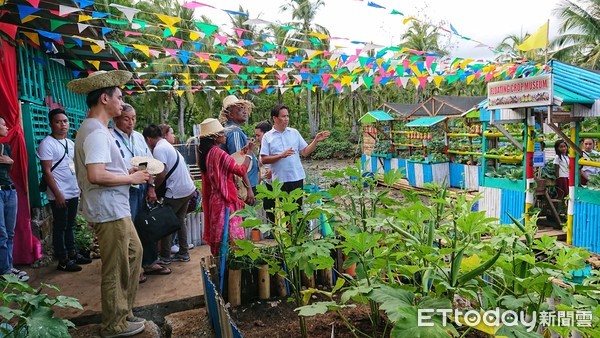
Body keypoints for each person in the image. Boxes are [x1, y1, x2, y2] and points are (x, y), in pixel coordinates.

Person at [67, 70, 150, 338]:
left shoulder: (95, 129)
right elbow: (96, 174)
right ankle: (114, 324)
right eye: (119, 97)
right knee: (117, 266)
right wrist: (131, 176)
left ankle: (124, 312)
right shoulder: (97, 133)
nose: (122, 102)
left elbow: (101, 168)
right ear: (105, 98)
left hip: (115, 208)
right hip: (109, 210)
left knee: (134, 254)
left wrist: (127, 169)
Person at [112, 104, 167, 281]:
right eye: (126, 118)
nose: (131, 122)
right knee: (129, 228)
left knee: (146, 224)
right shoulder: (110, 138)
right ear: (116, 119)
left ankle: (150, 262)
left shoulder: (137, 137)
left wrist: (150, 186)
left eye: (133, 118)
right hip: (124, 189)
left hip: (142, 185)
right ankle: (133, 269)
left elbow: (146, 161)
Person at [38, 108, 91, 273]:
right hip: (59, 194)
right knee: (60, 226)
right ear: (51, 124)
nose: (63, 125)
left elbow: (75, 167)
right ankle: (62, 259)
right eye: (58, 121)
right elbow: (47, 171)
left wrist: (79, 187)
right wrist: (58, 194)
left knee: (70, 225)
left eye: (65, 121)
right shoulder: (47, 144)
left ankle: (72, 253)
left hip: (73, 190)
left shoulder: (70, 143)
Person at [197, 118, 253, 256]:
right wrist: (249, 155)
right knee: (233, 239)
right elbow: (240, 170)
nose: (225, 135)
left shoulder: (207, 154)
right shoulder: (219, 153)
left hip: (215, 201)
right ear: (214, 136)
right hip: (226, 202)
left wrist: (242, 153)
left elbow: (227, 165)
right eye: (222, 133)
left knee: (220, 236)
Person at [143, 124, 196, 264]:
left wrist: (153, 188)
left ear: (148, 139)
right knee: (179, 221)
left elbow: (161, 173)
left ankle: (165, 256)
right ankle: (183, 252)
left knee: (165, 223)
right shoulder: (166, 145)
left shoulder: (159, 149)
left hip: (176, 192)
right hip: (187, 190)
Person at [260, 104, 330, 206]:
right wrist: (281, 156)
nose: (286, 119)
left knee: (296, 211)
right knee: (282, 213)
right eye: (283, 116)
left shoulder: (294, 133)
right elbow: (264, 159)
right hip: (279, 180)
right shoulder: (267, 136)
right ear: (275, 118)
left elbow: (305, 152)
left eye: (287, 116)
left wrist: (316, 140)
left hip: (296, 177)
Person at [0, 116, 26, 282]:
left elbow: (7, 170)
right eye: (3, 124)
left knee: (9, 233)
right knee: (1, 234)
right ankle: (4, 272)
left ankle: (8, 267)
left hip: (9, 191)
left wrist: (10, 161)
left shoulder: (5, 147)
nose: (6, 127)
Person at [218, 95, 256, 206]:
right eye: (240, 109)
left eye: (244, 109)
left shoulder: (232, 130)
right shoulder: (234, 132)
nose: (244, 112)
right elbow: (238, 163)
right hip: (243, 187)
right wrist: (248, 188)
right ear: (230, 114)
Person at [254, 121, 275, 224]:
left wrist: (272, 171)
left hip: (277, 180)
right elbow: (259, 165)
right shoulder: (260, 147)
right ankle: (275, 230)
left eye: (258, 135)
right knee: (268, 205)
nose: (257, 138)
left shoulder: (273, 144)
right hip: (268, 181)